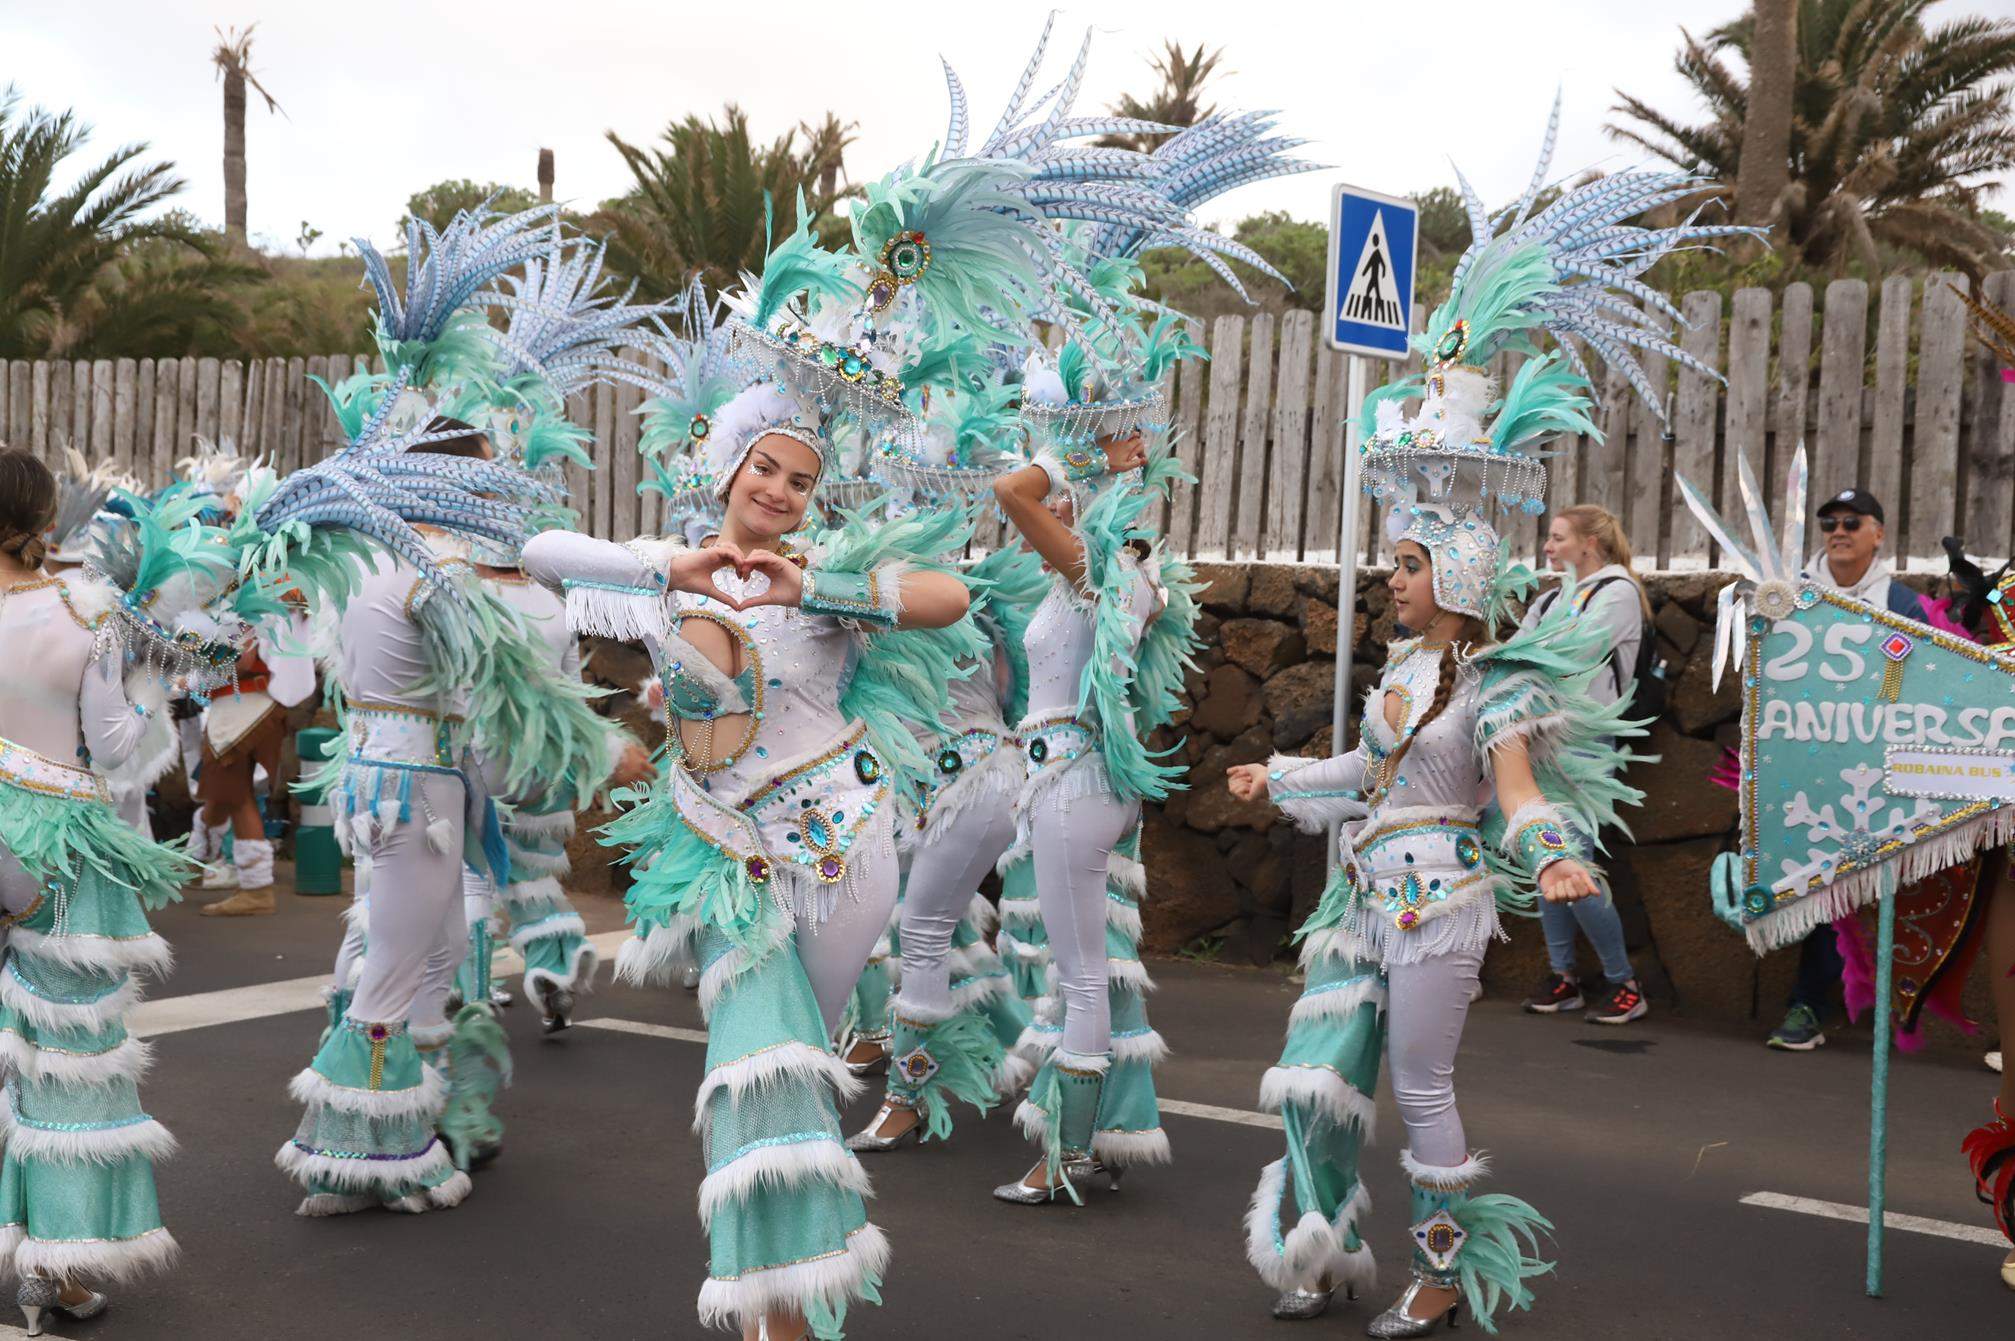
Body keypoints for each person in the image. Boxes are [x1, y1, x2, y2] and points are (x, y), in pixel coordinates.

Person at [1234, 109, 1742, 1335]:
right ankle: (1317, 1246)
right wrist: (1285, 777)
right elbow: (1370, 767)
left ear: (1454, 581)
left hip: (1441, 906)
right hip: (1361, 890)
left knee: (1417, 1089)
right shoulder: (1402, 672)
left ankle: (1441, 1269)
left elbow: (1507, 785)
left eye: (1407, 565)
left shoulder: (1494, 679)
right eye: (1392, 562)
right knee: (1311, 1081)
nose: (1389, 579)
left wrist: (1547, 843)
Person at [0, 449, 196, 1333]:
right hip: (58, 853)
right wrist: (160, 682)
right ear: (47, 520)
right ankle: (60, 1268)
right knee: (68, 1060)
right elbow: (118, 749)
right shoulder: (88, 609)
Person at [1767, 487, 1927, 1051]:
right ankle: (1807, 1001)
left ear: (1878, 534)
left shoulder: (1904, 605)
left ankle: (1844, 1005)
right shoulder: (1786, 596)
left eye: (1852, 522)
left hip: (1875, 767)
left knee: (1858, 893)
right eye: (1829, 522)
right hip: (1797, 766)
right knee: (1803, 885)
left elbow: (1909, 680)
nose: (1838, 530)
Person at [1519, 505, 1650, 1025]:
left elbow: (1569, 653)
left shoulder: (1617, 594)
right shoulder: (1553, 597)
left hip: (1587, 750)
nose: (1547, 549)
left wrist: (1528, 651)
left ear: (1589, 544)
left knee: (1574, 863)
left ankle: (1625, 983)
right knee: (1546, 859)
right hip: (1541, 746)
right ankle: (1564, 977)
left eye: (1556, 538)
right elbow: (1517, 653)